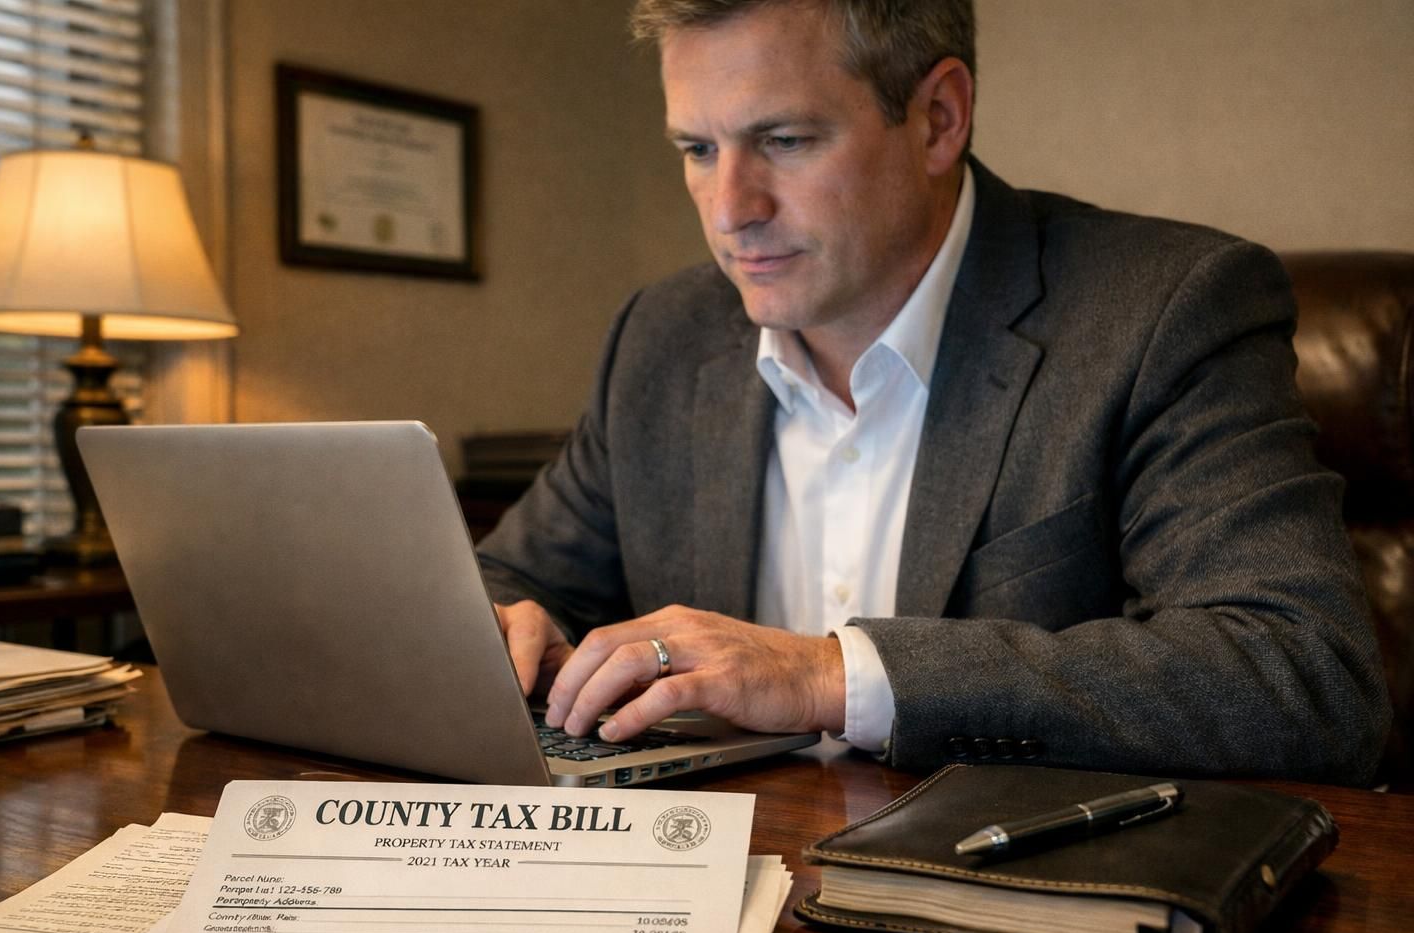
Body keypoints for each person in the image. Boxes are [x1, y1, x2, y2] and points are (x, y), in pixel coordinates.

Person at [476, 0, 1391, 784]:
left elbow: (1305, 676)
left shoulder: (1165, 309)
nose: (730, 209)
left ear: (939, 119)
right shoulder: (662, 338)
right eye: (698, 149)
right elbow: (514, 580)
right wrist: (497, 627)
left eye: (784, 141)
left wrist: (830, 676)